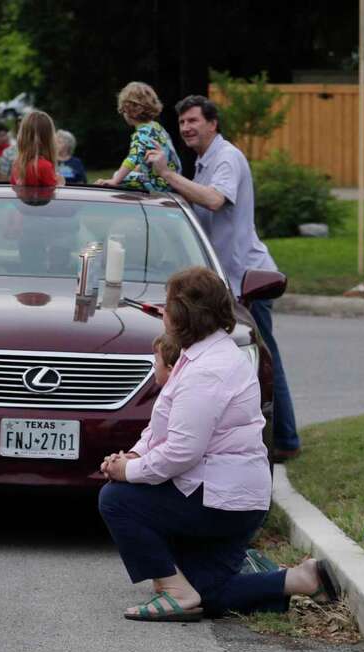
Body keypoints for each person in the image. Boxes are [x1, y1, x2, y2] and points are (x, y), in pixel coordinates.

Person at [96, 267, 337, 621]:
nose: (162, 312)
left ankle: (175, 591)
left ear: (185, 315)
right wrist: (134, 454)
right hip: (229, 496)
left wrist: (128, 471)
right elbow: (162, 429)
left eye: (168, 305)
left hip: (222, 501)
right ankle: (300, 580)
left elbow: (182, 451)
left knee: (117, 499)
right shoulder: (202, 355)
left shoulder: (207, 370)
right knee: (208, 593)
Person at [146, 95, 300, 462]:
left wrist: (168, 175)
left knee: (263, 360)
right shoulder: (203, 163)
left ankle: (285, 440)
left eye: (193, 121)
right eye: (182, 122)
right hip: (222, 283)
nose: (186, 128)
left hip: (247, 280)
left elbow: (215, 201)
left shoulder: (226, 157)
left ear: (213, 124)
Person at [98, 81, 181, 192]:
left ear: (132, 110)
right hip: (173, 181)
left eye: (123, 110)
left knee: (118, 175)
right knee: (131, 173)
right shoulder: (157, 128)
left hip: (159, 184)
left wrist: (115, 181)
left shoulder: (141, 133)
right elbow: (143, 160)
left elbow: (132, 159)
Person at [10, 110, 63, 188]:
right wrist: (60, 184)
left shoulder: (17, 165)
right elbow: (53, 194)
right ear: (49, 138)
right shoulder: (45, 166)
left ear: (22, 136)